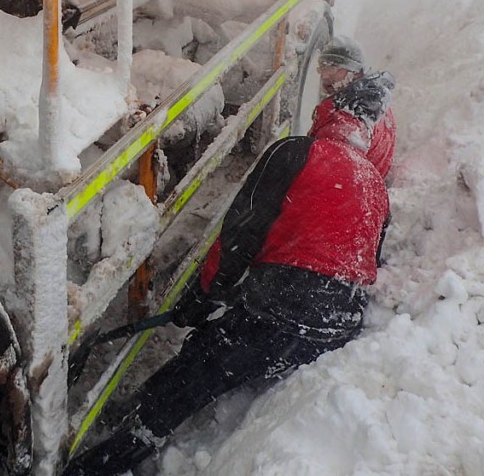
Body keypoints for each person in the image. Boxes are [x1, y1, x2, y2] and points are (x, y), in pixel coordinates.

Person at [63, 104, 389, 476]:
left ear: (324, 120)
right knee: (235, 344)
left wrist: (201, 295)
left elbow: (241, 231)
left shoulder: (297, 152)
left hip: (284, 306)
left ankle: (106, 456)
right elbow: (358, 259)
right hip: (338, 324)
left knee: (192, 373)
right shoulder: (376, 184)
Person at [312, 36, 396, 180]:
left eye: (334, 68)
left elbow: (330, 178)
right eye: (323, 66)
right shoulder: (374, 100)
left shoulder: (345, 126)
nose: (324, 75)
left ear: (355, 72)